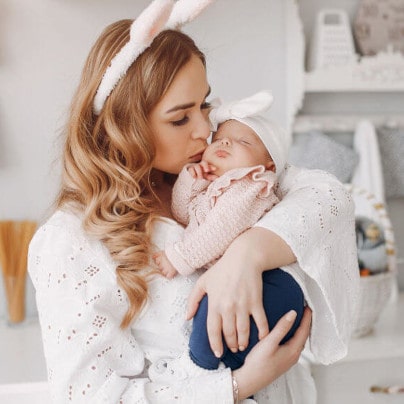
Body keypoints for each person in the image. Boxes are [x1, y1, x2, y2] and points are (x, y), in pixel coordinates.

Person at [28, 1, 359, 403]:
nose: (206, 129)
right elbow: (90, 397)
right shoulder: (69, 242)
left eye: (204, 104)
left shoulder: (218, 173)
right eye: (180, 118)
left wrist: (246, 255)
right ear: (126, 126)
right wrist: (237, 385)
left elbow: (331, 198)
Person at [153, 92, 305, 372]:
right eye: (219, 139)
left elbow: (220, 230)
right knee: (212, 321)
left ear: (268, 163)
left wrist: (179, 257)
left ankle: (218, 373)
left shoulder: (252, 186)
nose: (225, 142)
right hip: (239, 280)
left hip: (273, 284)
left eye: (243, 141)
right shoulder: (218, 187)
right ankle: (222, 374)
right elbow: (183, 215)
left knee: (209, 329)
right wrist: (191, 179)